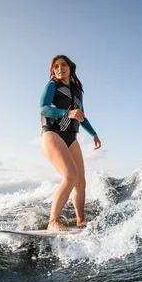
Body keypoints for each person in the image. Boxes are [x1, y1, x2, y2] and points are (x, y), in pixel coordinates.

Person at [39, 55, 102, 231]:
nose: (60, 69)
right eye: (56, 66)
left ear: (70, 67)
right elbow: (43, 108)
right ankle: (53, 222)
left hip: (71, 138)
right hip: (53, 134)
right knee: (70, 176)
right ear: (53, 71)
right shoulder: (52, 86)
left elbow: (81, 115)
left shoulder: (78, 91)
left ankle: (80, 220)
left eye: (63, 65)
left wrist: (94, 134)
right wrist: (67, 114)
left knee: (80, 182)